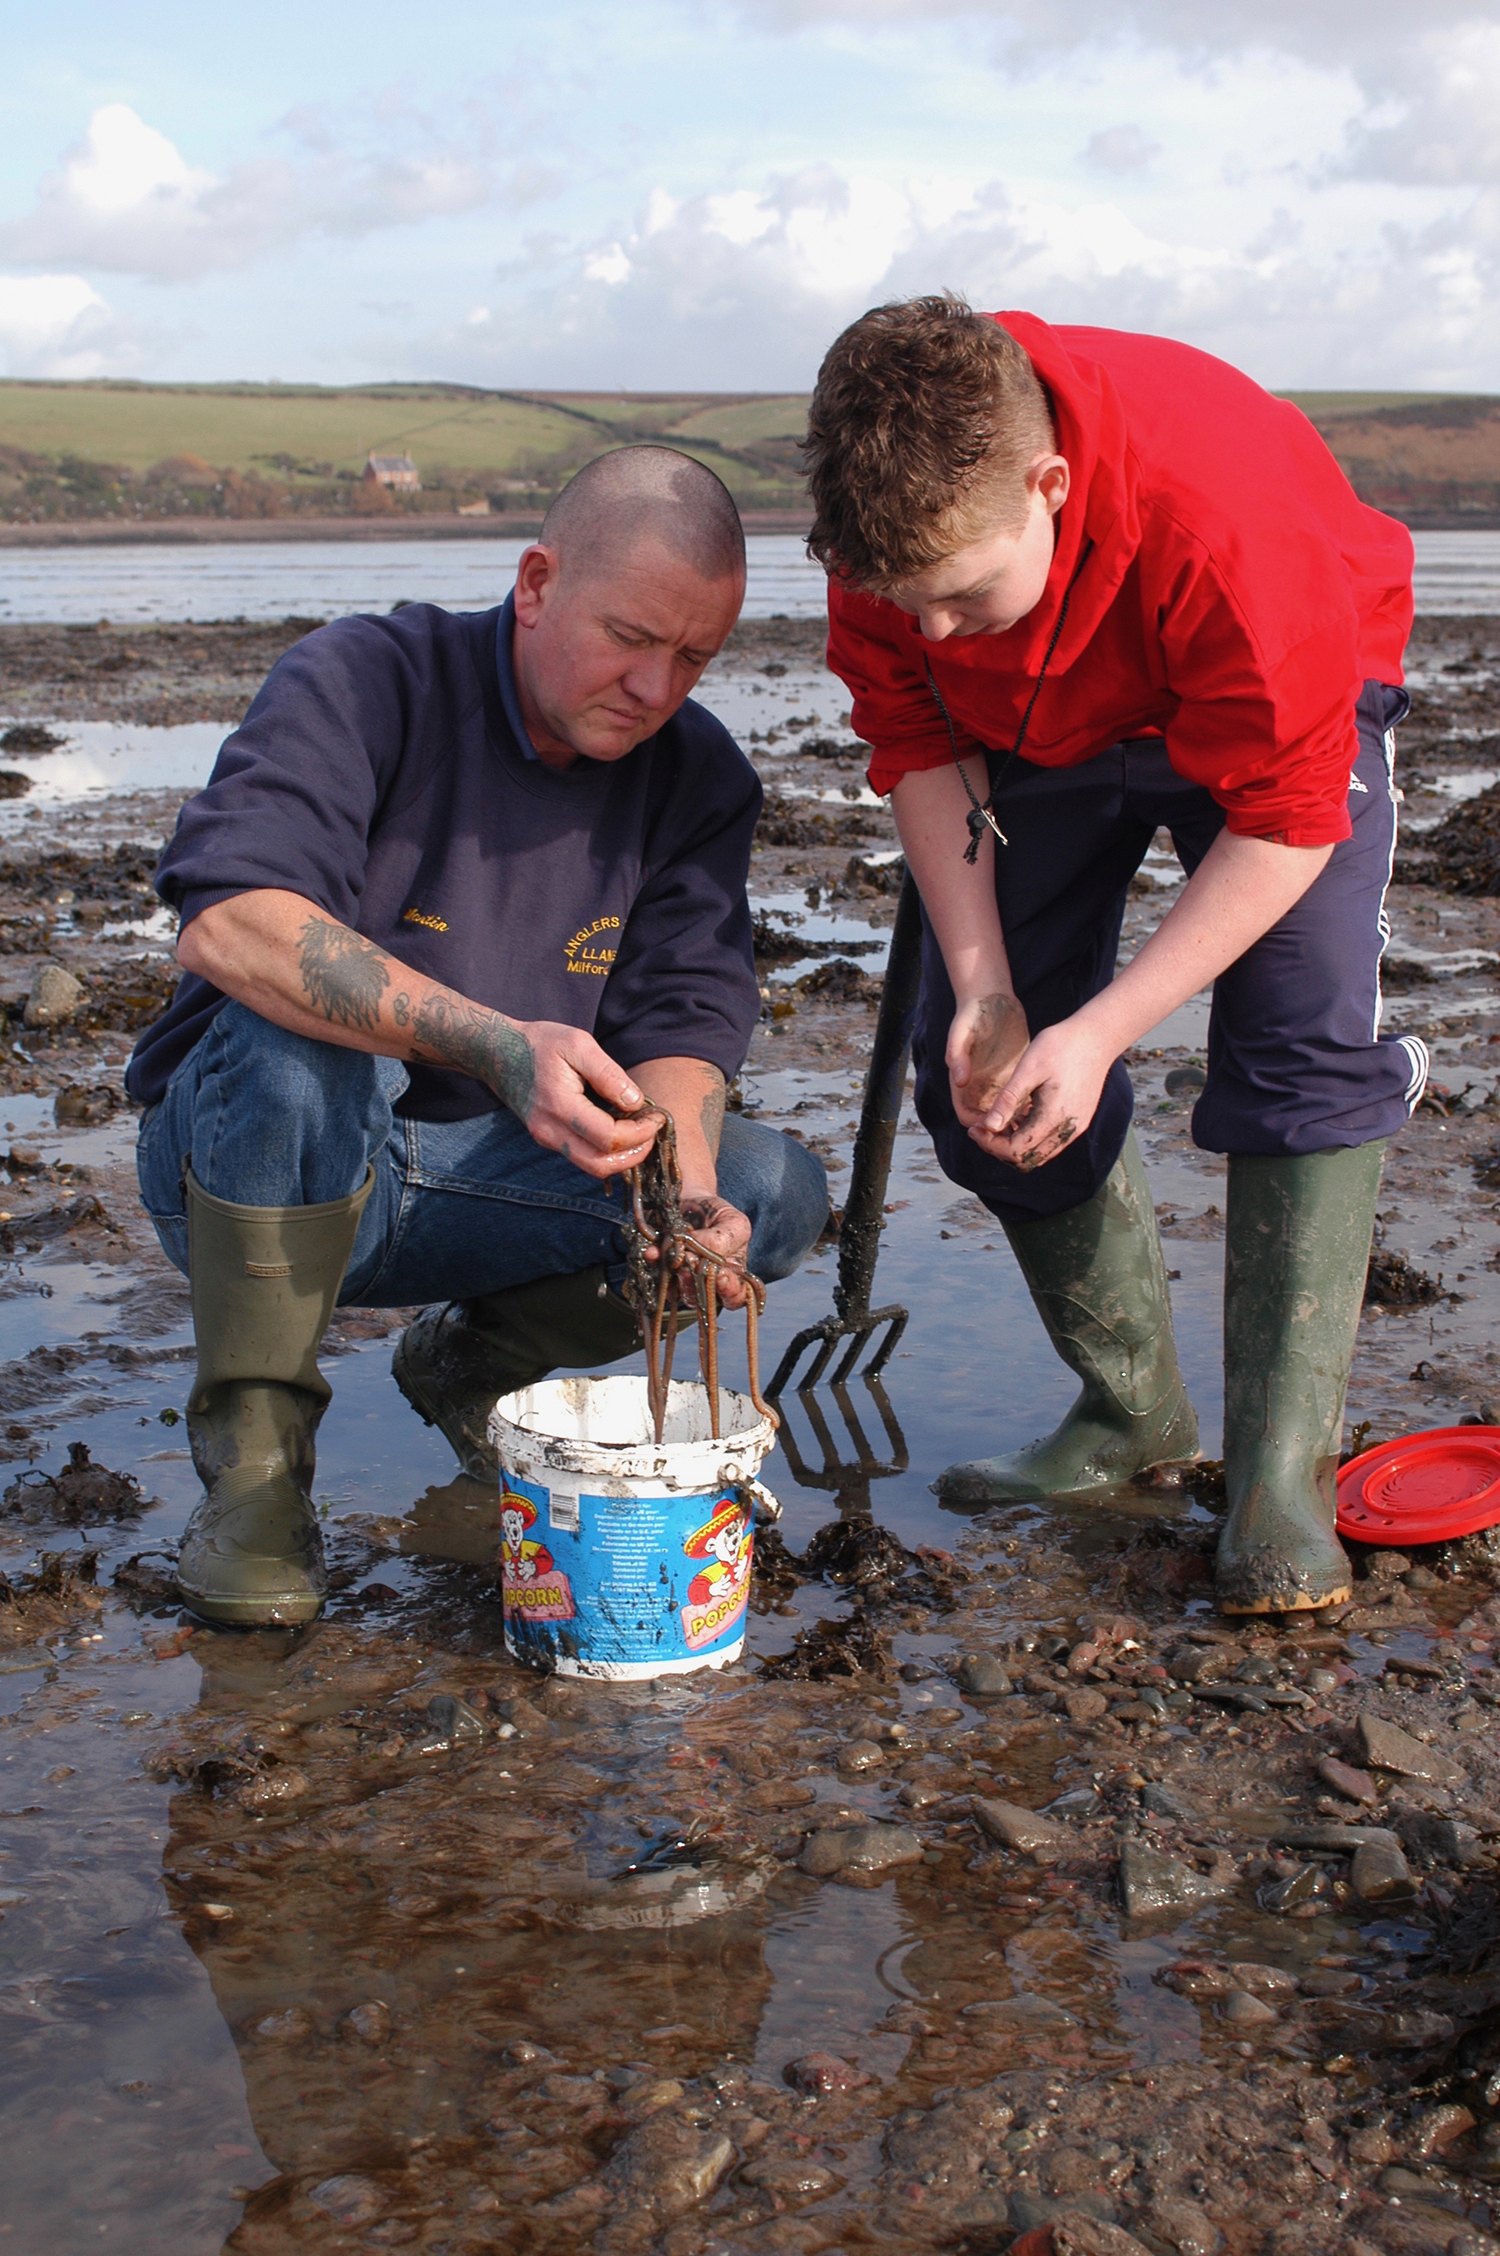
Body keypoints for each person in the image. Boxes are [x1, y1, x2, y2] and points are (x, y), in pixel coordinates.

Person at [125, 446, 828, 1628]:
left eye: (695, 656)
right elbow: (231, 922)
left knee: (771, 1186)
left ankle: (466, 1365)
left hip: (483, 1184)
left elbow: (682, 1019)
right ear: (538, 581)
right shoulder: (365, 679)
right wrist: (500, 1045)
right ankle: (254, 1486)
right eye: (630, 636)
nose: (657, 687)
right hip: (257, 1155)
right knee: (306, 1053)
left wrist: (686, 1195)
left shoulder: (695, 775)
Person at [803, 296, 1420, 1616]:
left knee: (1303, 1048)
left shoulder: (1235, 539)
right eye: (910, 607)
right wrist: (990, 991)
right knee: (972, 1081)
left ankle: (1277, 1477)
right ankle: (1131, 1413)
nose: (940, 630)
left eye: (964, 594)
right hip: (1035, 728)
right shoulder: (896, 547)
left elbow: (1287, 825)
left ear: (1052, 485)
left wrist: (1100, 1031)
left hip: (1260, 696)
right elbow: (920, 747)